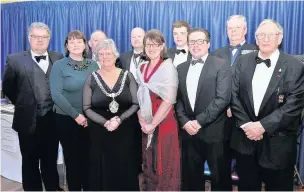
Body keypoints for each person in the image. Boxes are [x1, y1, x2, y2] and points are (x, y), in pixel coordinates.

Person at [230, 19, 304, 191]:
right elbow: (233, 95)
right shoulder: (243, 61)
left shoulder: (295, 66)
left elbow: (294, 105)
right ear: (255, 38)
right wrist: (248, 126)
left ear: (280, 38)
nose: (265, 39)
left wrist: (262, 126)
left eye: (270, 35)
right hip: (245, 142)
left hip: (278, 146)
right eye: (261, 35)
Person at [2, 22, 63, 191]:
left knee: (50, 159)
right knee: (29, 161)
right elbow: (8, 88)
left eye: (43, 37)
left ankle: (53, 188)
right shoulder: (14, 60)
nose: (40, 40)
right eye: (36, 36)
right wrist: (23, 104)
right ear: (29, 38)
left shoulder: (58, 57)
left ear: (49, 39)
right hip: (27, 120)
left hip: (52, 120)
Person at [175, 28, 232, 191]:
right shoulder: (181, 68)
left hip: (214, 132)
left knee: (220, 178)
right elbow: (177, 100)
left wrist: (199, 122)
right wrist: (185, 121)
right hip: (188, 133)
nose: (195, 45)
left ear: (208, 44)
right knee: (191, 178)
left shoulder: (221, 65)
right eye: (192, 42)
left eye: (200, 41)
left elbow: (222, 99)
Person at [83, 39, 140, 191]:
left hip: (125, 129)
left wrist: (119, 120)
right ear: (96, 57)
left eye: (108, 53)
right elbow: (86, 108)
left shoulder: (128, 76)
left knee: (125, 165)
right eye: (100, 54)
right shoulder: (91, 78)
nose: (105, 57)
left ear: (115, 55)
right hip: (100, 131)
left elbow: (136, 104)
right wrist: (105, 122)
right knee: (101, 167)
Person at [50, 30, 99, 191]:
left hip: (90, 118)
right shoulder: (59, 65)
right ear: (66, 46)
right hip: (67, 119)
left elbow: (98, 90)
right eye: (71, 42)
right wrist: (76, 115)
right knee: (73, 161)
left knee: (89, 159)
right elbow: (56, 94)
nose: (76, 44)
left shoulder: (93, 64)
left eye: (79, 41)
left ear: (85, 45)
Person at [211, 14, 257, 182]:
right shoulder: (216, 53)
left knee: (246, 165)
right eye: (230, 28)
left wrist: (235, 107)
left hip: (245, 117)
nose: (233, 31)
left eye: (237, 28)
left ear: (245, 30)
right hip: (221, 118)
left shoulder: (256, 51)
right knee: (221, 161)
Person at [137, 29, 180, 190]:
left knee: (164, 165)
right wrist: (141, 119)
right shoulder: (141, 67)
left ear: (162, 46)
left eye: (155, 44)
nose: (151, 48)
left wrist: (152, 124)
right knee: (148, 163)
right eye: (148, 44)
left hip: (163, 124)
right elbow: (138, 96)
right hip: (146, 123)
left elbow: (169, 100)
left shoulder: (168, 67)